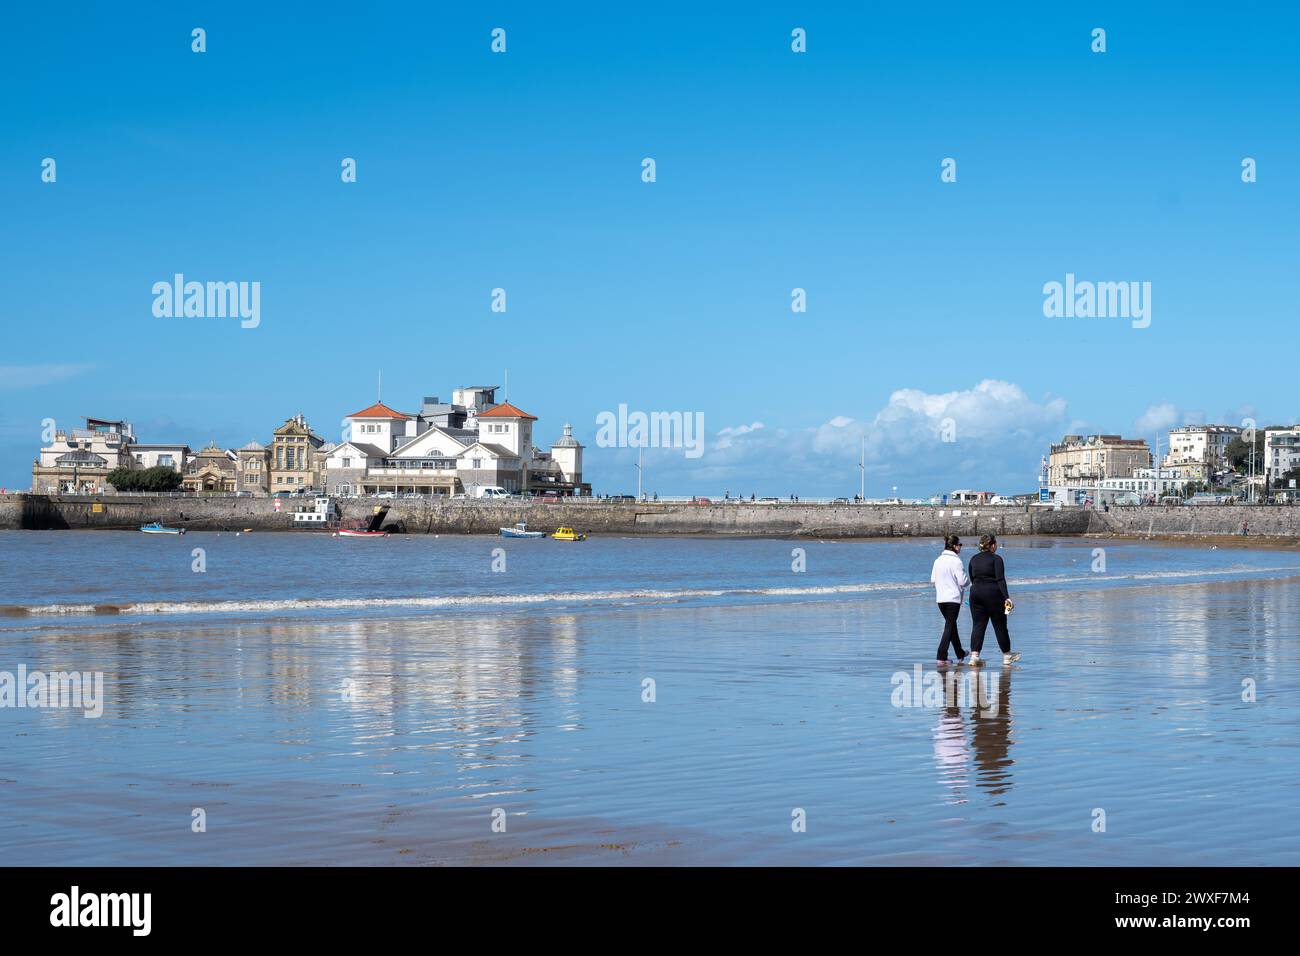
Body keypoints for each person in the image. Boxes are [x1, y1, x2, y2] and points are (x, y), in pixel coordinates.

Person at [968, 534, 1019, 665]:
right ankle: (1007, 655)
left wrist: (979, 587)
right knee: (1000, 626)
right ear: (992, 545)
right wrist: (1007, 597)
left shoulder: (973, 559)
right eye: (995, 543)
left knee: (978, 625)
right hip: (993, 594)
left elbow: (972, 577)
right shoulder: (997, 559)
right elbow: (1000, 580)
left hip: (976, 593)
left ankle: (974, 657)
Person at [930, 534, 969, 667]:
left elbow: (933, 580)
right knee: (949, 626)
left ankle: (960, 653)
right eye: (959, 545)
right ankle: (941, 656)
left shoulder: (937, 560)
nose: (960, 547)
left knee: (951, 626)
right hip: (953, 599)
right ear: (954, 546)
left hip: (940, 599)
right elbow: (963, 581)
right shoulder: (956, 561)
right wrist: (968, 580)